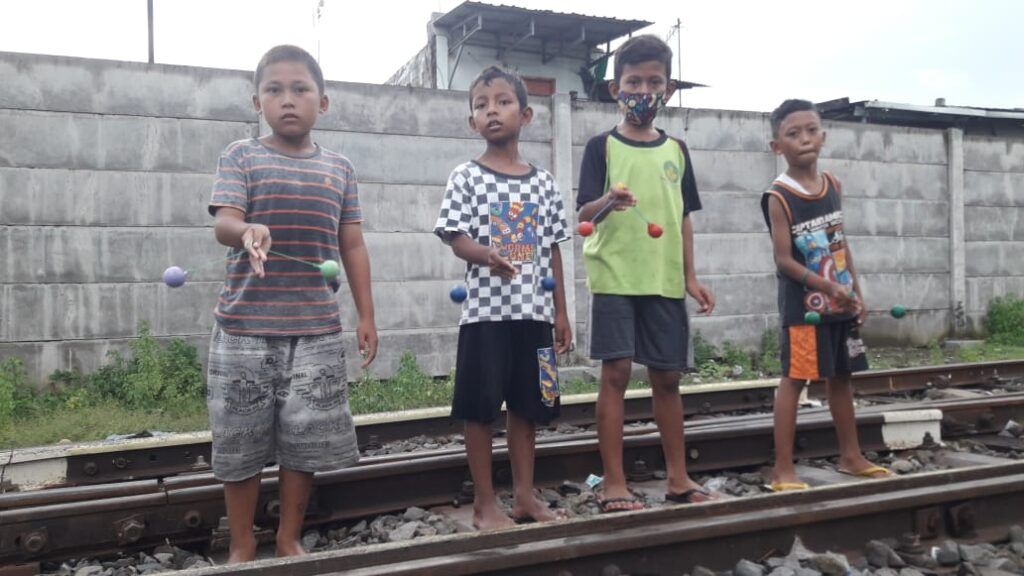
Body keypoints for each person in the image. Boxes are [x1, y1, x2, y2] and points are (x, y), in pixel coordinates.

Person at [206, 44, 378, 561]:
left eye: (300, 89)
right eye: (274, 90)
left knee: (304, 444)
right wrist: (247, 229)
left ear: (322, 102)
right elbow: (223, 223)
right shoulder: (241, 156)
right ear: (256, 101)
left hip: (316, 330)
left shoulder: (340, 169)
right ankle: (241, 545)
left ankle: (287, 538)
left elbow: (352, 245)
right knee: (239, 443)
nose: (287, 100)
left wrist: (366, 316)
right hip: (244, 328)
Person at [576, 35, 716, 512]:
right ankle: (613, 483)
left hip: (663, 279)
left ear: (668, 89)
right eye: (633, 82)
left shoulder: (677, 150)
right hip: (615, 275)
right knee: (614, 375)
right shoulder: (601, 147)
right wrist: (610, 201)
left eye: (653, 81)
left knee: (668, 380)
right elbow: (585, 216)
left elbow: (683, 217)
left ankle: (679, 478)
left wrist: (691, 277)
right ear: (616, 89)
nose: (643, 90)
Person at [433, 66, 572, 530]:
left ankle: (525, 499)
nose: (491, 110)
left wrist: (561, 314)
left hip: (534, 314)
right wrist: (486, 255)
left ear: (526, 114)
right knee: (480, 409)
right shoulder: (465, 177)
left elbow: (552, 249)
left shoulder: (545, 183)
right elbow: (454, 237)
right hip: (484, 316)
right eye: (480, 104)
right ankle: (484, 504)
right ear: (472, 121)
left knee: (530, 408)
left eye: (502, 101)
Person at [761, 98, 891, 492]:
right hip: (806, 309)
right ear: (777, 146)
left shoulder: (832, 184)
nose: (805, 139)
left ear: (824, 135)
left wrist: (855, 290)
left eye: (812, 130)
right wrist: (827, 286)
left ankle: (850, 457)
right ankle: (784, 469)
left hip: (840, 302)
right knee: (796, 379)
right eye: (793, 133)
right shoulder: (778, 196)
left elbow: (840, 242)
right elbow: (784, 260)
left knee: (842, 377)